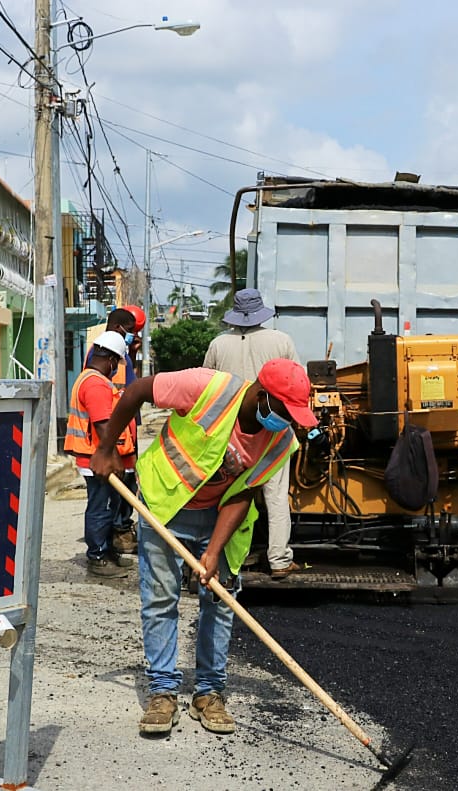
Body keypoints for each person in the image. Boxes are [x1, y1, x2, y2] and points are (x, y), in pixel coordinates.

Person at [92, 358, 317, 736]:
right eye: (284, 411)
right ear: (262, 396)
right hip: (166, 506)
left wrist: (212, 552)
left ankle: (209, 693)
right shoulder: (206, 387)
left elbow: (244, 491)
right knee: (161, 599)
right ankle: (163, 691)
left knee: (220, 602)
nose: (289, 422)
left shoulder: (280, 439)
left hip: (222, 519)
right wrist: (106, 448)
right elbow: (134, 392)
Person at [203, 288, 303, 579]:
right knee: (275, 496)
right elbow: (297, 383)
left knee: (229, 495)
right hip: (272, 431)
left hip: (231, 434)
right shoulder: (281, 341)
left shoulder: (219, 345)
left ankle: (226, 557)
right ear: (261, 313)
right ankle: (279, 559)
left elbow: (208, 386)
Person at [65, 331, 134, 577]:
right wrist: (113, 457)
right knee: (101, 508)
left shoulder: (91, 379)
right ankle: (97, 556)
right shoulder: (95, 383)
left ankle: (108, 552)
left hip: (98, 457)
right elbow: (103, 425)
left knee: (109, 506)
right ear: (113, 360)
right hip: (98, 459)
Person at [112, 305, 148, 551]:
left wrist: (133, 353)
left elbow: (132, 384)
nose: (134, 337)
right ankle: (119, 531)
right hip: (119, 430)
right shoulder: (108, 353)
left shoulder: (124, 353)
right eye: (132, 332)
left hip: (129, 427)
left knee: (130, 481)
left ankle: (122, 527)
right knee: (122, 483)